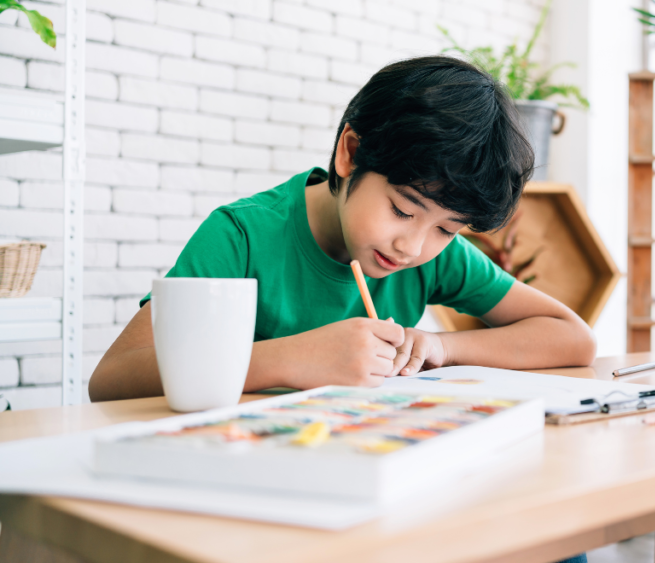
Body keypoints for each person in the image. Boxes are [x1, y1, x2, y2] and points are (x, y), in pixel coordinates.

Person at [88, 56, 597, 402]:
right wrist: (289, 359)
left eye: (448, 229)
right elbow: (111, 379)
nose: (413, 245)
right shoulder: (242, 236)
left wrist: (441, 348)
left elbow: (572, 339)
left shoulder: (434, 255)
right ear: (350, 153)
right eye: (403, 209)